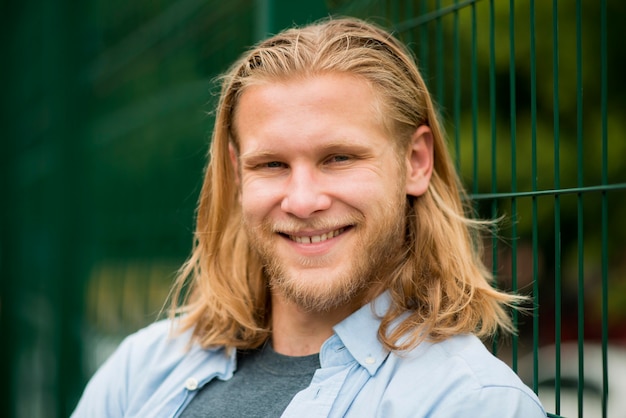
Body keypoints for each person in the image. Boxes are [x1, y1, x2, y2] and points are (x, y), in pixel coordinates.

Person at [72, 17, 546, 417]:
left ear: (416, 162)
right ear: (239, 176)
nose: (301, 201)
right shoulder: (142, 369)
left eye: (338, 158)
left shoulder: (468, 403)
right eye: (272, 165)